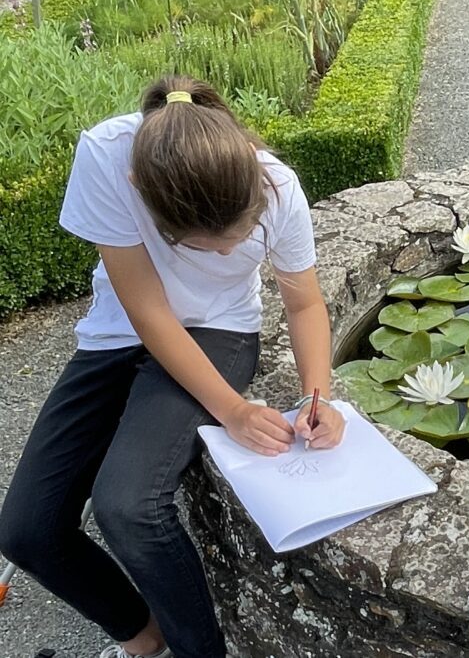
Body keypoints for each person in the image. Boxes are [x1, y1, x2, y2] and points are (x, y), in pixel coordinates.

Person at [0, 76, 346, 658]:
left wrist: (320, 399)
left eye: (240, 239)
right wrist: (232, 409)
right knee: (26, 531)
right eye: (208, 247)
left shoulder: (278, 185)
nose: (228, 254)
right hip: (124, 330)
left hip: (220, 330)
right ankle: (144, 638)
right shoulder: (110, 158)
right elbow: (148, 312)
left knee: (128, 505)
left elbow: (305, 302)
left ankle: (200, 650)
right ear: (144, 193)